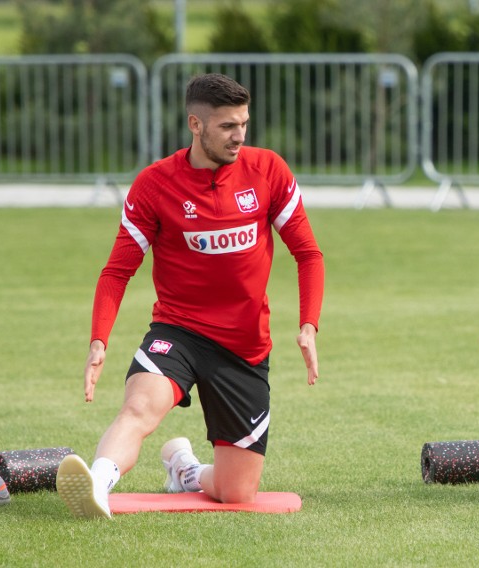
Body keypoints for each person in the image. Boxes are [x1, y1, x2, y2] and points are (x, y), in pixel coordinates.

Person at [57, 73, 325, 519]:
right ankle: (97, 486)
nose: (239, 136)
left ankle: (184, 469)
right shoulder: (156, 183)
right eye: (227, 126)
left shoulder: (269, 170)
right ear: (195, 125)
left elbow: (309, 254)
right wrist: (99, 341)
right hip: (178, 332)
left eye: (244, 124)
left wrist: (308, 326)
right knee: (140, 407)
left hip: (244, 346)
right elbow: (117, 270)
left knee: (237, 492)